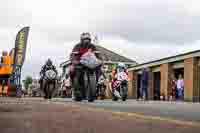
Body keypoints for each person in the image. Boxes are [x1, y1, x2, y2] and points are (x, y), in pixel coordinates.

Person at [69, 32, 103, 101]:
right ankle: (75, 89)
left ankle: (96, 83)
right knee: (72, 71)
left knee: (100, 70)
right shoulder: (77, 46)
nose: (86, 40)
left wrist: (100, 60)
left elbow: (98, 54)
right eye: (85, 39)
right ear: (81, 39)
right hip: (79, 64)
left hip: (90, 64)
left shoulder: (92, 46)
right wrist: (74, 60)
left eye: (88, 39)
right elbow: (72, 54)